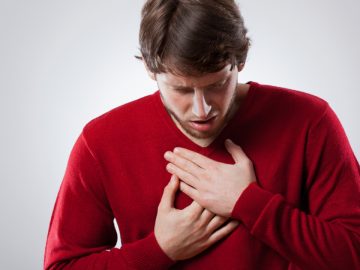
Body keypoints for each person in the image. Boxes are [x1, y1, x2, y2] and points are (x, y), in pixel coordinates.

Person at [44, 0, 360, 269]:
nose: (201, 109)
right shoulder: (100, 142)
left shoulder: (309, 121)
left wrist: (249, 203)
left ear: (240, 61)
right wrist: (158, 252)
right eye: (181, 89)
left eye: (216, 85)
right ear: (151, 70)